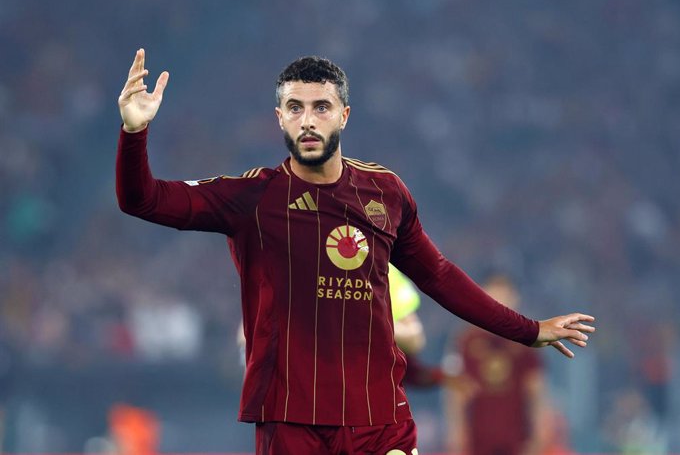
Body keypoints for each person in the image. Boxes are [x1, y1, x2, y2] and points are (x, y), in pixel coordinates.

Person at [116, 49, 595, 455]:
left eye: (321, 107)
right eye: (295, 107)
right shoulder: (252, 198)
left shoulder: (385, 194)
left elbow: (439, 276)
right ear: (279, 117)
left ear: (344, 114)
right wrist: (134, 132)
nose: (308, 120)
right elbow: (143, 199)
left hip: (378, 418)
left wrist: (528, 330)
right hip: (290, 419)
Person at [443, 273, 550, 455]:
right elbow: (455, 393)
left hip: (517, 438)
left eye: (504, 298)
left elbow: (536, 391)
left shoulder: (527, 342)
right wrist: (456, 431)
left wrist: (540, 431)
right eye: (494, 298)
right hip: (478, 439)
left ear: (514, 299)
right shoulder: (465, 341)